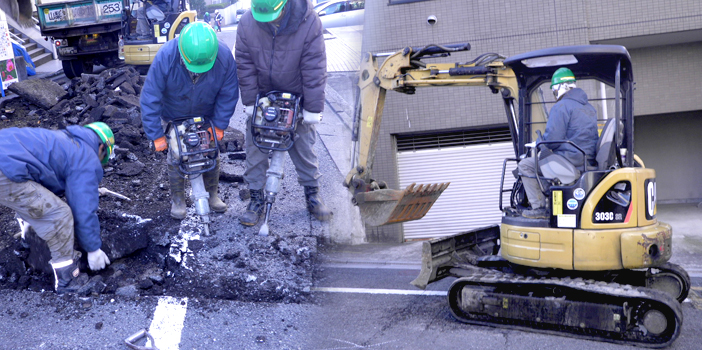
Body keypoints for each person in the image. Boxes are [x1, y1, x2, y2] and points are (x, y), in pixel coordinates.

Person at [235, 0, 332, 226]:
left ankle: (312, 194)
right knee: (256, 144)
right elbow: (245, 63)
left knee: (304, 145)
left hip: (297, 94)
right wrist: (250, 102)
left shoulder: (309, 22)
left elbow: (314, 66)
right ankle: (256, 198)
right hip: (264, 95)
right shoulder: (247, 22)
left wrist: (312, 108)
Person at [0, 122, 115, 294]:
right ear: (101, 148)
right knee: (59, 214)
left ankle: (29, 236)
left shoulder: (61, 141)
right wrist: (93, 249)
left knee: (37, 197)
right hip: (4, 169)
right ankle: (67, 278)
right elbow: (83, 210)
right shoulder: (86, 157)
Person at [140, 22, 239, 220]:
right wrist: (156, 136)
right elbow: (150, 96)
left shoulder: (224, 56)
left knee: (210, 150)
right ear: (182, 52)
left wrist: (219, 125)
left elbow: (228, 94)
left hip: (206, 113)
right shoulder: (166, 56)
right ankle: (178, 200)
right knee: (177, 153)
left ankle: (212, 195)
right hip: (175, 112)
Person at [518, 67, 599, 219]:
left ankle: (540, 208)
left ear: (562, 87)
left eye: (555, 90)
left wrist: (539, 143)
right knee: (544, 163)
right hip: (585, 159)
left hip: (570, 159)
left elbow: (552, 140)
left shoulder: (561, 106)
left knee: (526, 165)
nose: (555, 94)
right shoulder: (589, 108)